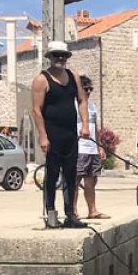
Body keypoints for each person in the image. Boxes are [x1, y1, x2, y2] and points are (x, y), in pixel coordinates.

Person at [31, 40, 90, 229]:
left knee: (71, 175)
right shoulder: (42, 80)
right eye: (57, 55)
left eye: (63, 55)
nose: (60, 58)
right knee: (52, 175)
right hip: (52, 135)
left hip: (70, 134)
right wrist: (43, 135)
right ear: (50, 57)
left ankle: (70, 214)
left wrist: (85, 125)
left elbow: (82, 100)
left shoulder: (73, 76)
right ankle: (50, 213)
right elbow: (36, 109)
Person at [74, 75, 109, 220]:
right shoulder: (73, 106)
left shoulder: (93, 107)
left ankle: (92, 211)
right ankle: (73, 211)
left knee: (91, 181)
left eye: (90, 89)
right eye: (85, 89)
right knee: (75, 181)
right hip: (78, 149)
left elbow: (96, 129)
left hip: (92, 149)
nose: (88, 92)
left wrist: (100, 147)